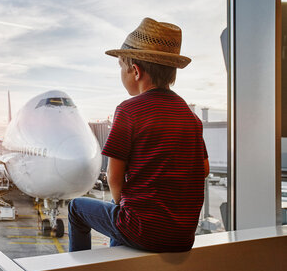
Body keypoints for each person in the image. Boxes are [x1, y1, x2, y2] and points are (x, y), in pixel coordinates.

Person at [68, 17, 209, 253]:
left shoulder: (129, 110)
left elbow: (114, 176)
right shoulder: (190, 116)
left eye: (121, 68)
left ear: (135, 71)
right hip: (183, 236)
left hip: (144, 231)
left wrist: (124, 207)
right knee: (124, 222)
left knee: (76, 209)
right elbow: (203, 169)